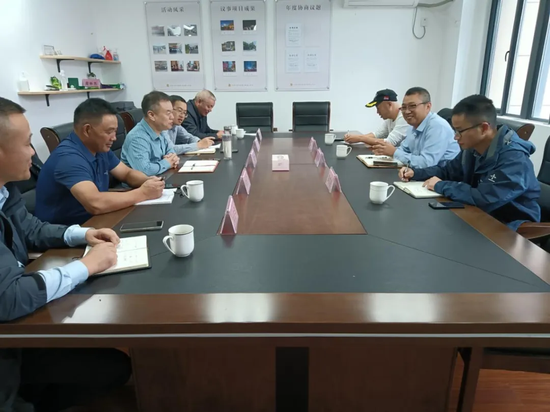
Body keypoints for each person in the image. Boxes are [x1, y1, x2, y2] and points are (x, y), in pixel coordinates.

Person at [0, 97, 131, 411]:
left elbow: (31, 228)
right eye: (27, 144)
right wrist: (86, 266)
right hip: (7, 348)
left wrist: (83, 234)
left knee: (114, 368)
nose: (33, 153)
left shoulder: (6, 190)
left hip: (21, 323)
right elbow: (9, 299)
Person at [399, 94, 541, 231]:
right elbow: (447, 171)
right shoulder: (473, 148)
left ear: (484, 128)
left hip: (509, 226)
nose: (455, 137)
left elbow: (485, 198)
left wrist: (440, 185)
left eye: (460, 131)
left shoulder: (514, 159)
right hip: (476, 215)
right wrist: (416, 173)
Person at [35, 98, 165, 226]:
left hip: (96, 220)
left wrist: (148, 181)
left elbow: (126, 173)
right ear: (87, 130)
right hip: (66, 231)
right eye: (109, 132)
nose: (114, 138)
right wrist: (143, 193)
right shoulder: (68, 158)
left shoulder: (99, 148)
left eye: (115, 131)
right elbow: (95, 203)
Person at [373, 87, 459, 168]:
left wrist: (394, 152)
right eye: (404, 107)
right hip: (423, 173)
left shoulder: (437, 126)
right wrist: (386, 150)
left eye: (412, 106)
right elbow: (404, 149)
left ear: (428, 107)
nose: (407, 111)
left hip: (444, 176)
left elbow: (426, 163)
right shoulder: (413, 125)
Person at [121, 91, 180, 175]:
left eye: (172, 112)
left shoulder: (161, 130)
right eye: (168, 113)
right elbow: (144, 171)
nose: (172, 117)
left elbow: (171, 151)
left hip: (161, 177)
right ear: (152, 115)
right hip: (141, 182)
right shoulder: (137, 138)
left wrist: (173, 159)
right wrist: (167, 163)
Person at [344, 89, 409, 147]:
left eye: (378, 108)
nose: (377, 112)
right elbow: (377, 134)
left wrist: (360, 138)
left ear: (389, 104)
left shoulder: (404, 117)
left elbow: (388, 143)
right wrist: (355, 138)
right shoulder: (390, 118)